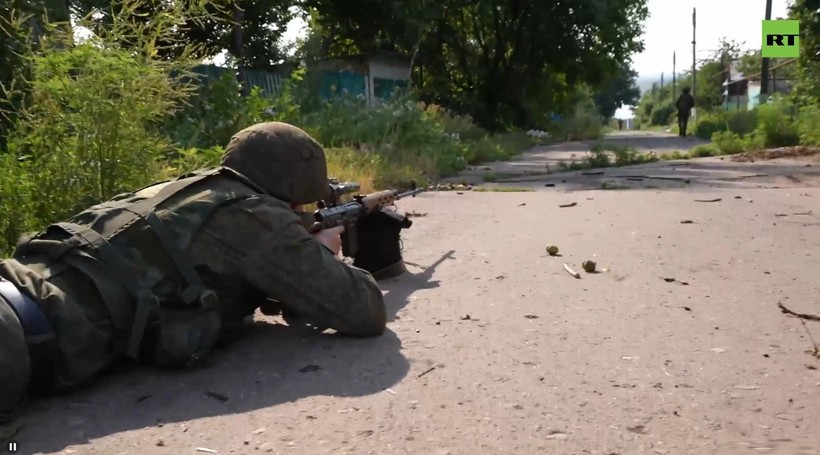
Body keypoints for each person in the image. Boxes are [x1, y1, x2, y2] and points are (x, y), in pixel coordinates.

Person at [0, 122, 391, 423]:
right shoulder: (254, 215)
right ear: (289, 194)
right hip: (20, 334)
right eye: (299, 207)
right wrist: (323, 253)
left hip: (15, 285)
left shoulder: (188, 190)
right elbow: (364, 309)